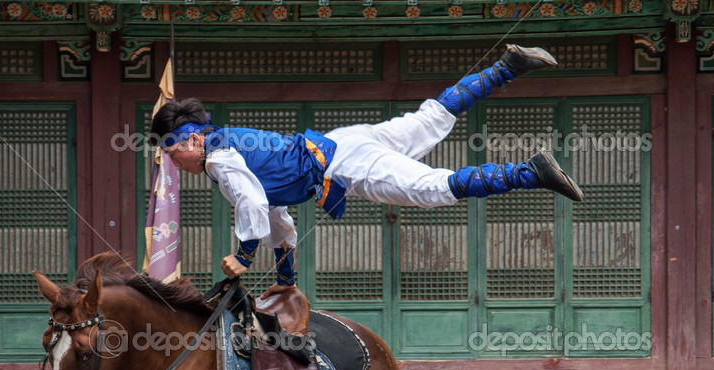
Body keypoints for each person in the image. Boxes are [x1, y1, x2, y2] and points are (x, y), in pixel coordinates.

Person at [150, 45, 584, 292]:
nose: (174, 162)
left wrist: (244, 256)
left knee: (431, 189)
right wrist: (285, 275)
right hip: (345, 141)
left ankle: (530, 172)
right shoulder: (227, 149)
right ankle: (506, 68)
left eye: (171, 153)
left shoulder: (220, 158)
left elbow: (253, 202)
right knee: (429, 119)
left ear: (190, 139)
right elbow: (274, 215)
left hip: (344, 163)